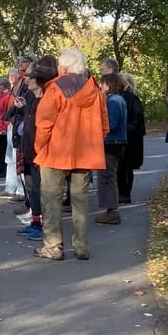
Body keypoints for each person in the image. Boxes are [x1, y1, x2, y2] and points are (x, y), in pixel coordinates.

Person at [33, 49, 108, 261]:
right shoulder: (94, 90)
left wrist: (39, 148)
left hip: (56, 152)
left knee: (51, 200)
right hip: (84, 153)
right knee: (80, 201)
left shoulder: (54, 88)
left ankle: (53, 247)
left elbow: (44, 123)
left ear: (63, 67)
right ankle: (81, 247)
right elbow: (104, 124)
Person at [15, 62, 55, 241]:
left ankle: (45, 226)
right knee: (30, 188)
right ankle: (36, 221)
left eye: (30, 78)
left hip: (40, 151)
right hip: (27, 148)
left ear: (38, 80)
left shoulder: (45, 100)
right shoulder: (30, 98)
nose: (26, 80)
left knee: (40, 189)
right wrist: (22, 108)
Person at [96, 72, 128, 225]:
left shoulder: (113, 101)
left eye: (102, 84)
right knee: (107, 175)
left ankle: (111, 210)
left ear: (109, 85)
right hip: (114, 142)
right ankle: (109, 209)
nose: (100, 87)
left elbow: (111, 123)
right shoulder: (117, 100)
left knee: (107, 176)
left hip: (111, 143)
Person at [118, 74, 146, 204]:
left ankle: (124, 193)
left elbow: (136, 120)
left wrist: (124, 131)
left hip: (128, 138)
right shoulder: (131, 98)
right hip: (131, 137)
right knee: (125, 167)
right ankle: (124, 192)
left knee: (123, 167)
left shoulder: (128, 98)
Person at [0, 68, 25, 200]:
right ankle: (10, 187)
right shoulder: (12, 90)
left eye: (14, 75)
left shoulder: (21, 87)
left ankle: (21, 191)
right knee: (9, 158)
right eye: (10, 75)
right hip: (10, 126)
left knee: (17, 157)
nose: (12, 77)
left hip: (17, 126)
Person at [0, 77, 11, 182]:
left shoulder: (6, 96)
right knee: (0, 149)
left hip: (3, 126)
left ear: (5, 86)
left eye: (0, 84)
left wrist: (4, 127)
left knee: (4, 149)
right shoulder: (0, 96)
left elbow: (6, 112)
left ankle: (4, 170)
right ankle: (0, 168)